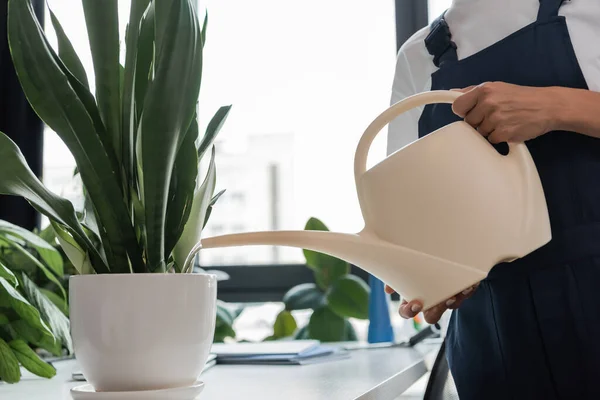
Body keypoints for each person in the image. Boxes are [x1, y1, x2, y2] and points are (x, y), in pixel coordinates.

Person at [385, 0, 600, 399]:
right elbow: (417, 206)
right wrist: (432, 271)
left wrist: (558, 106)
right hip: (494, 334)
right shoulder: (419, 55)